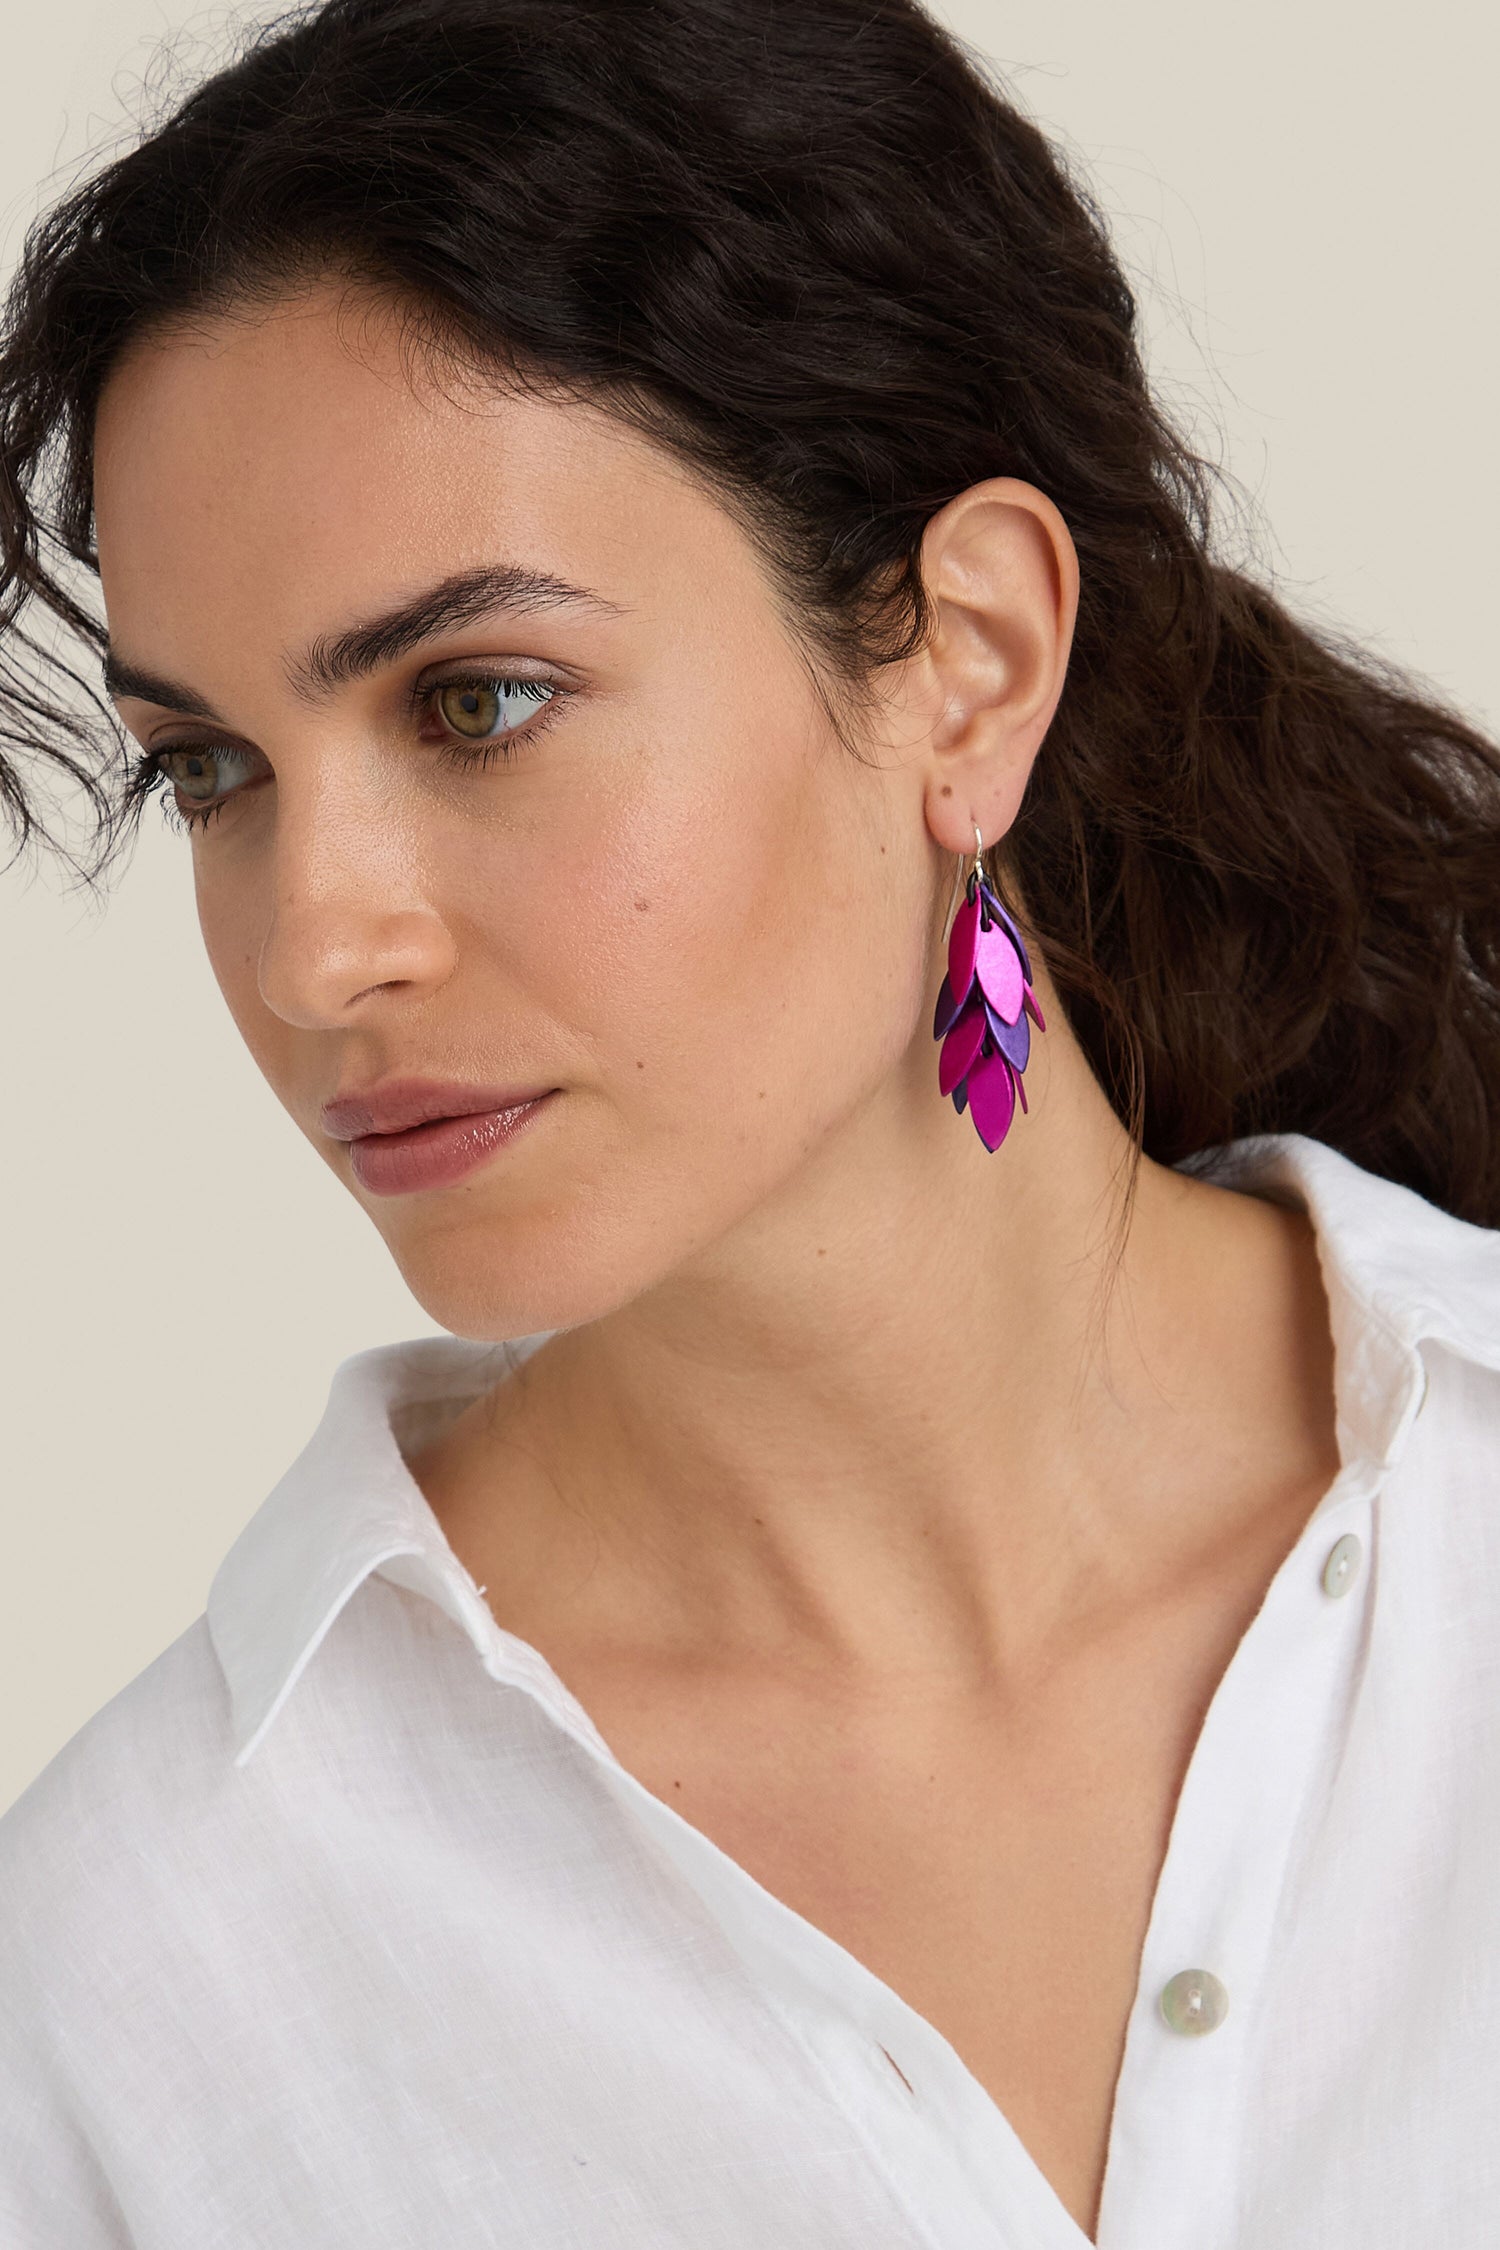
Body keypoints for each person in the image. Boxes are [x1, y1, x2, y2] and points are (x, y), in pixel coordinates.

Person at [1, 0, 1498, 2242]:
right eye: (216, 770)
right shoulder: (144, 1979)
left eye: (479, 701)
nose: (314, 950)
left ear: (967, 661)